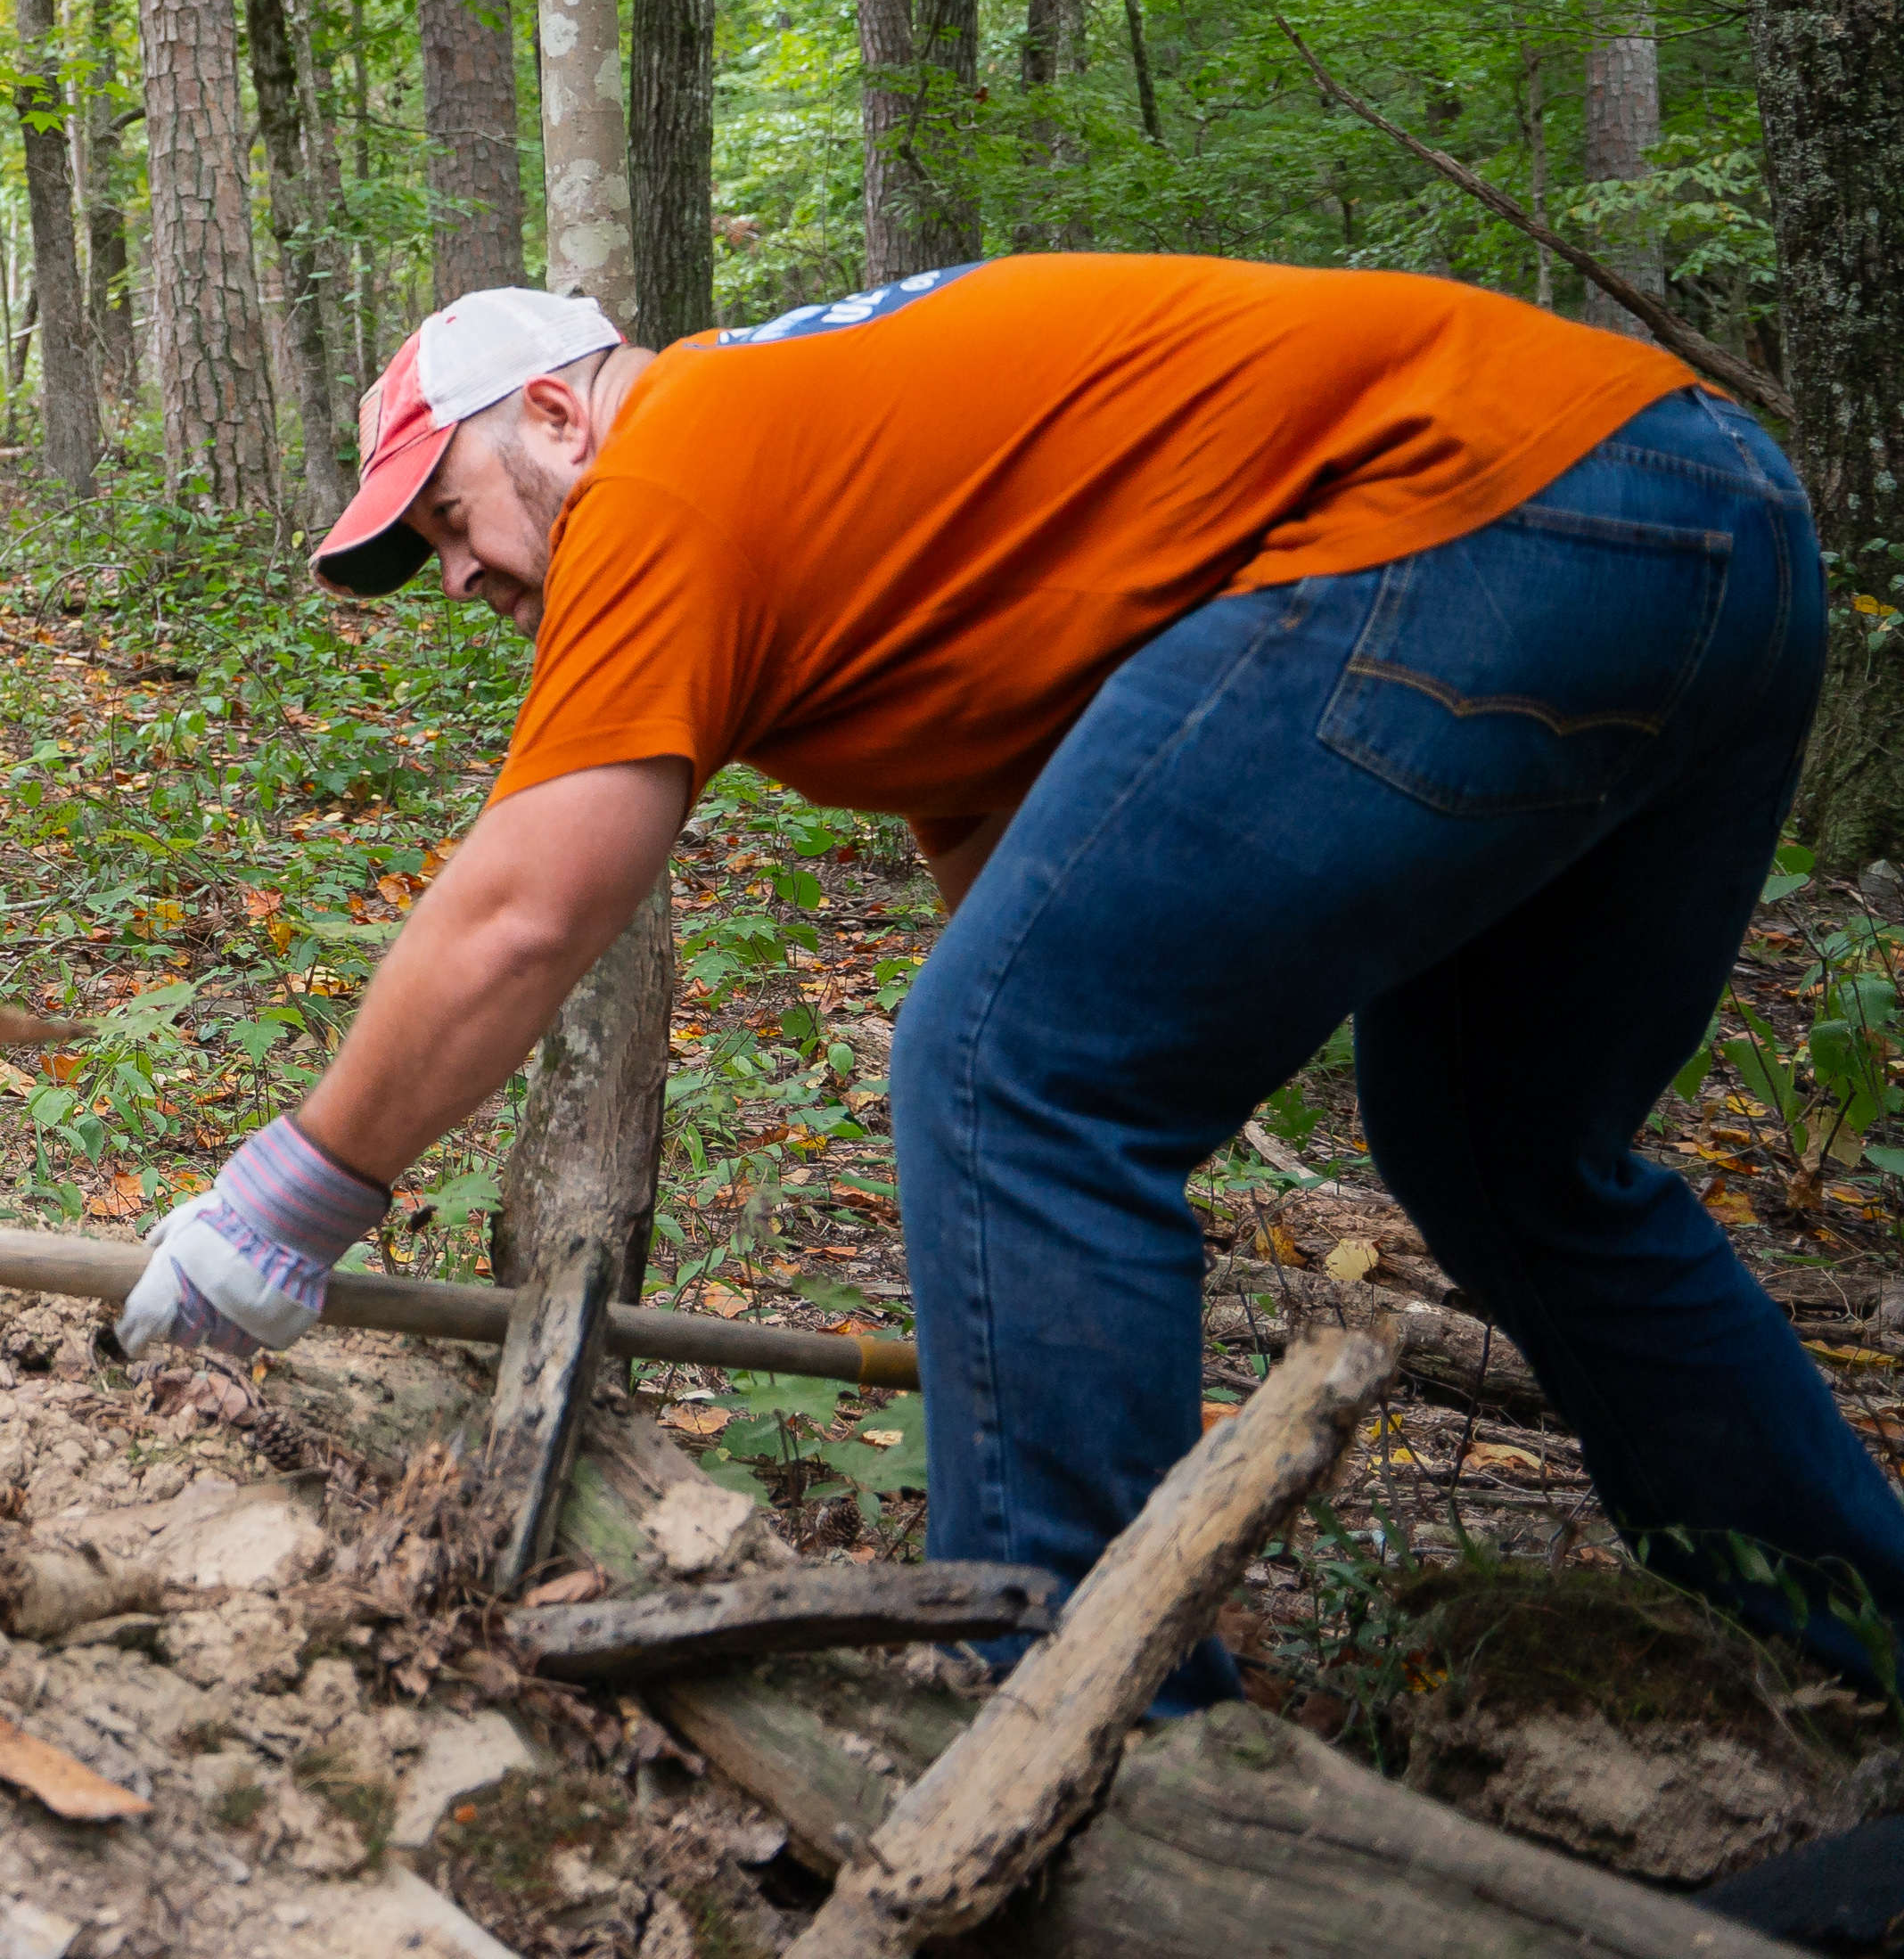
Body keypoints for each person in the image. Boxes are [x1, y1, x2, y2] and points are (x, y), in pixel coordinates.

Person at [124, 256, 1904, 1694]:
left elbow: (527, 907)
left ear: (563, 409)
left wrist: (288, 1204)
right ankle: (1853, 1622)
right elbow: (1045, 868)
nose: (456, 580)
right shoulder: (832, 464)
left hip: (1486, 512)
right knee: (1511, 1163)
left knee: (996, 1066)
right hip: (1706, 514)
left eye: (447, 519)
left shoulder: (668, 459)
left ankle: (1087, 1718)